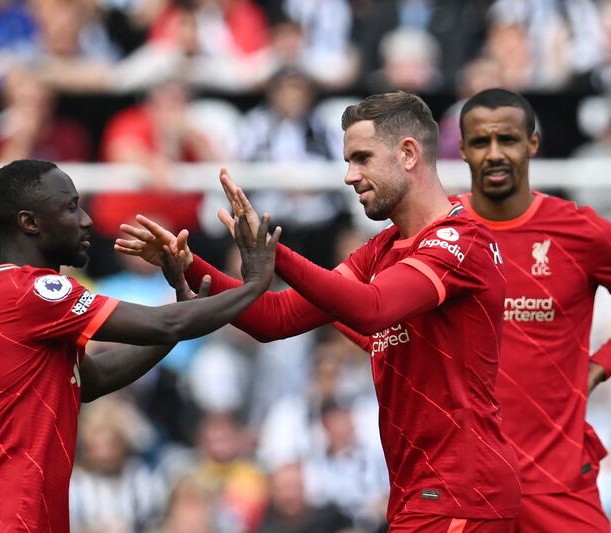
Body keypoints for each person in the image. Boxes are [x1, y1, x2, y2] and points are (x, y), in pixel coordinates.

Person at [116, 92, 522, 531]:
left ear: (408, 153)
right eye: (348, 161)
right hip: (419, 490)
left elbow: (373, 309)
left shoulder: (461, 240)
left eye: (362, 158)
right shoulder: (382, 250)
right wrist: (187, 264)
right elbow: (275, 319)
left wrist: (276, 253)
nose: (350, 176)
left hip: (462, 490)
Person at [0, 159, 281, 532]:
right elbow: (165, 324)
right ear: (29, 223)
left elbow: (93, 379)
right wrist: (256, 283)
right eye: (70, 207)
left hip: (3, 513)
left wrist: (181, 320)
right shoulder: (33, 291)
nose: (86, 220)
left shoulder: (14, 296)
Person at [454, 88, 611, 531]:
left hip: (557, 481)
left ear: (532, 144)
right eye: (481, 142)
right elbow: (358, 302)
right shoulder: (438, 232)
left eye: (509, 140)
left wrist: (598, 367)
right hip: (468, 486)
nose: (495, 154)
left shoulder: (580, 231)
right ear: (462, 149)